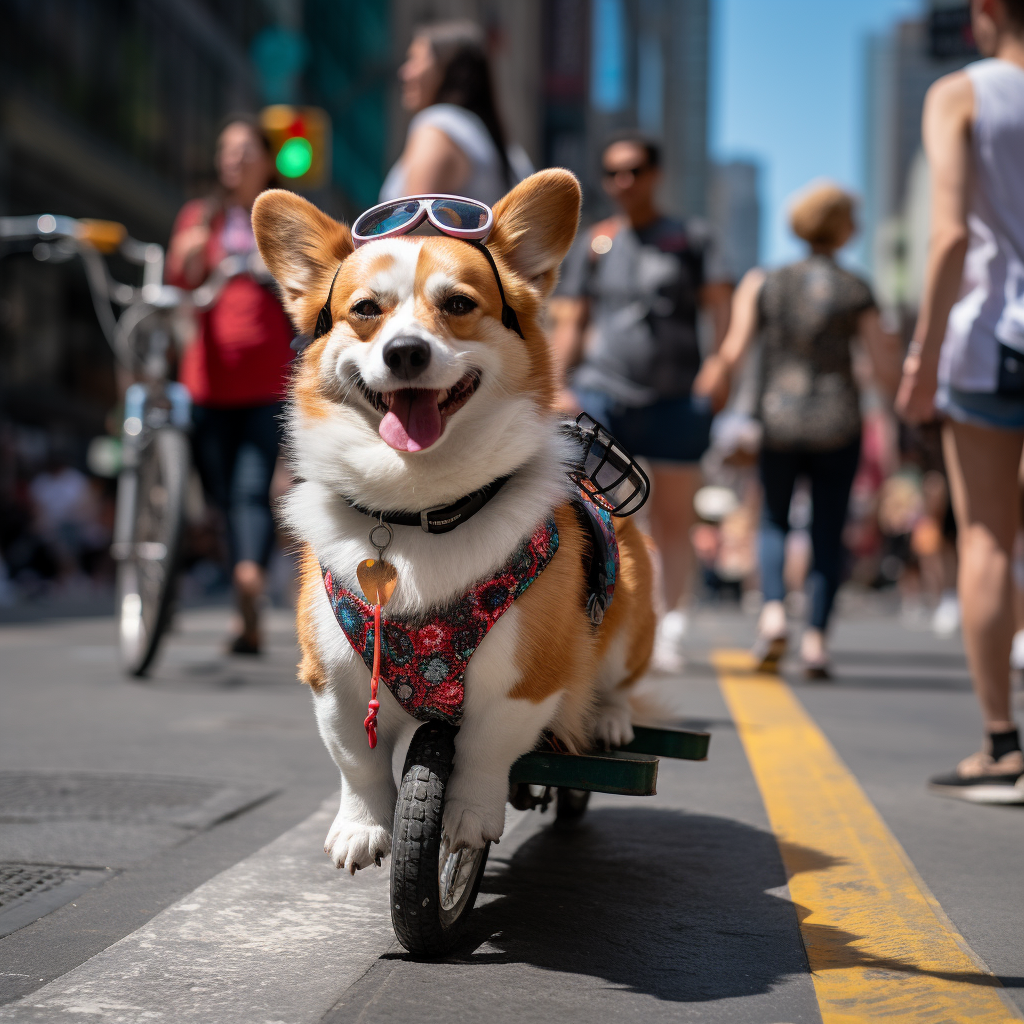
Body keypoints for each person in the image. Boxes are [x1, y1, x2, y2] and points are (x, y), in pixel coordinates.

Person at [895, 0, 1024, 801]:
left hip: (994, 338)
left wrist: (923, 352)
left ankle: (1003, 744)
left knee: (986, 538)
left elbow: (947, 237)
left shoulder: (964, 92)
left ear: (985, 11)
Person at [696, 182, 901, 676]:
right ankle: (815, 643)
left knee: (774, 519)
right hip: (839, 420)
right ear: (844, 227)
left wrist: (714, 383)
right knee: (830, 530)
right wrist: (904, 405)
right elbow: (883, 364)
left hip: (779, 418)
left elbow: (736, 349)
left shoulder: (765, 282)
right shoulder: (857, 287)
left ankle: (771, 615)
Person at [551, 131, 733, 672]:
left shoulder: (691, 239)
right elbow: (573, 319)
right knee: (594, 512)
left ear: (655, 175)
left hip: (678, 398)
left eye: (633, 170)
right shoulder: (596, 243)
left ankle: (669, 625)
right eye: (612, 173)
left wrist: (722, 367)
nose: (622, 182)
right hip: (604, 394)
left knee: (675, 519)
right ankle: (598, 618)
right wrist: (557, 383)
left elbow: (721, 309)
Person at [165, 115, 293, 655]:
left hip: (267, 385)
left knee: (249, 491)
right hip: (206, 385)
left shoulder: (282, 218)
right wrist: (190, 255)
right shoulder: (200, 218)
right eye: (226, 149)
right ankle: (247, 599)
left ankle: (247, 580)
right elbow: (178, 283)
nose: (233, 159)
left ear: (266, 161)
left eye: (244, 150)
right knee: (218, 493)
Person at [381, 20, 532, 205]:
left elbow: (413, 224)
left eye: (415, 60)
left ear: (447, 70)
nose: (404, 73)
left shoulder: (438, 127)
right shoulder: (497, 144)